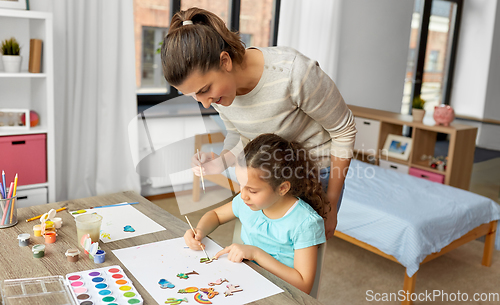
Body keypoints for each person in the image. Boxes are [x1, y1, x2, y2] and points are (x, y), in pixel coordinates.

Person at [161, 7, 357, 239]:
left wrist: (331, 206)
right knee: (262, 247)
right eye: (194, 95)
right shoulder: (220, 93)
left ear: (225, 61)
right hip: (269, 175)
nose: (205, 103)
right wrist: (220, 161)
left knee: (301, 260)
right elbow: (238, 131)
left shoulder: (293, 73)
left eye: (204, 90)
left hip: (316, 175)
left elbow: (343, 130)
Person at [184, 133, 328, 294]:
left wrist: (255, 253)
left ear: (282, 188)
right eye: (241, 185)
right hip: (245, 282)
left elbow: (303, 285)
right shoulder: (246, 202)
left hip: (281, 293)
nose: (243, 195)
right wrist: (200, 231)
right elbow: (216, 216)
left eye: (252, 190)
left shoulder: (305, 223)